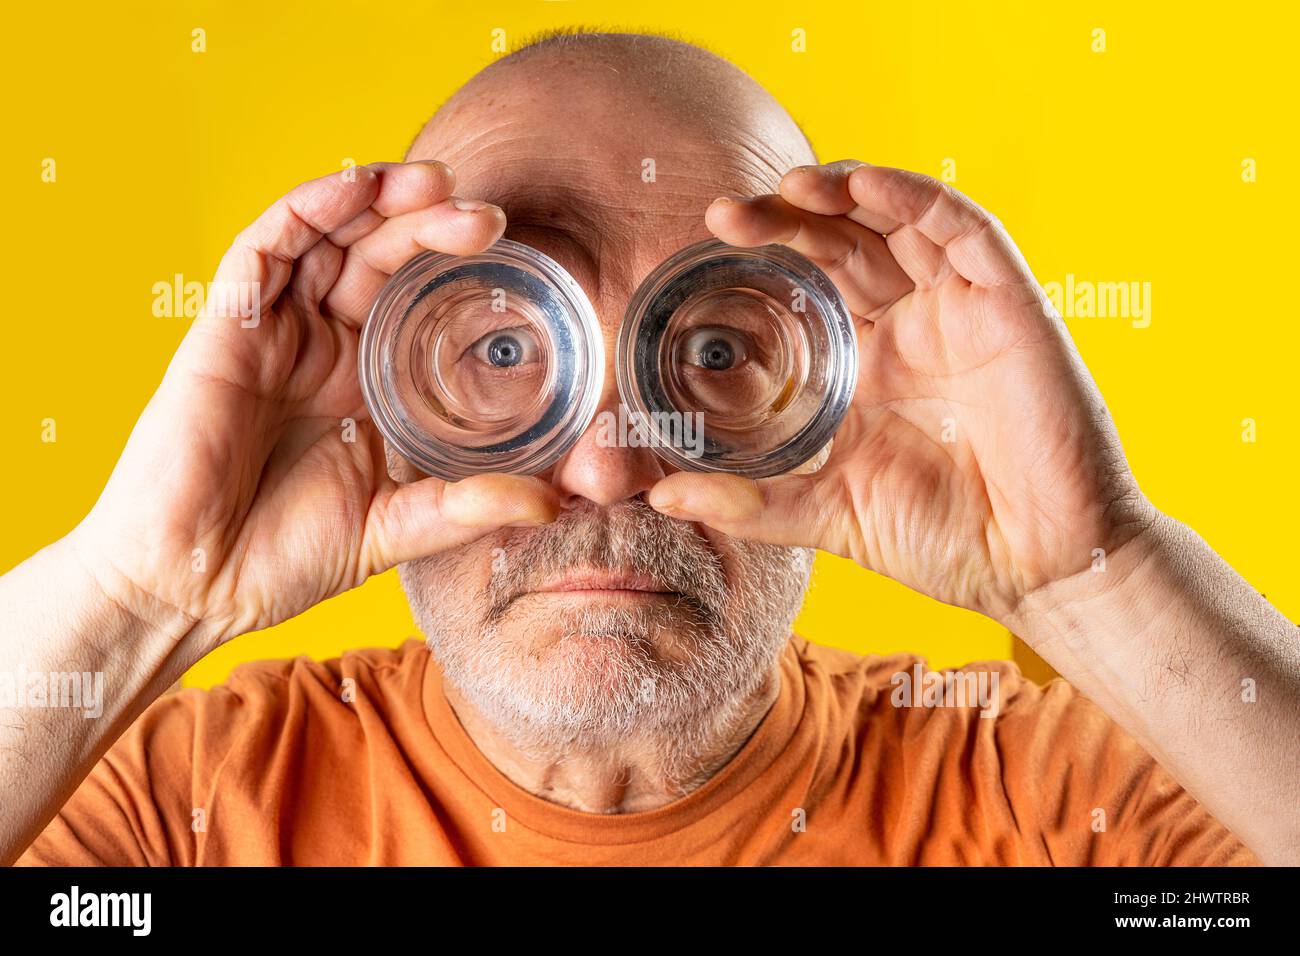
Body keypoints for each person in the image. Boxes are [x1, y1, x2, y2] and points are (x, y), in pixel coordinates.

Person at [4, 31, 1296, 866]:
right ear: (383, 389)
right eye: (509, 354)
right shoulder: (171, 809)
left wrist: (1093, 578)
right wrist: (134, 596)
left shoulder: (1058, 802)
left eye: (716, 353)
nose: (611, 468)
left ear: (835, 390)